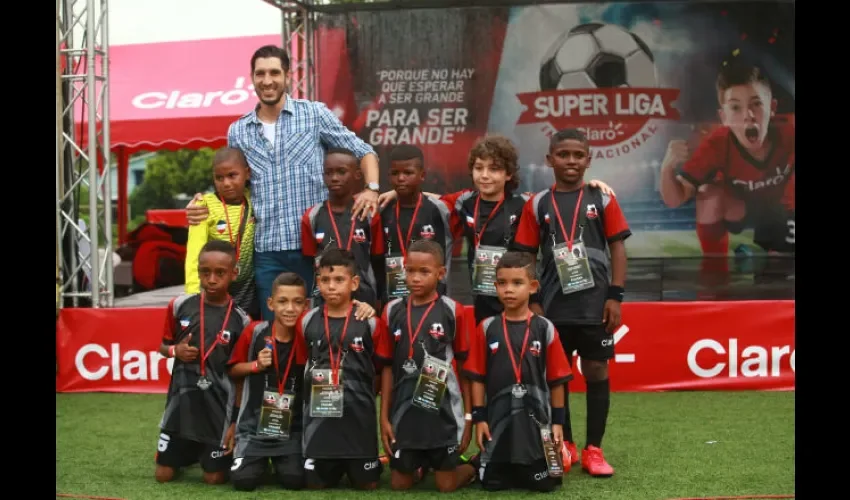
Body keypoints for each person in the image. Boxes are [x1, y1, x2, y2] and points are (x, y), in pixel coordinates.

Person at [185, 44, 383, 322]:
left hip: (315, 249)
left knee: (319, 327)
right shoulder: (238, 130)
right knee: (276, 331)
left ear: (288, 75)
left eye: (274, 73)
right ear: (252, 78)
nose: (267, 81)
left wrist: (372, 190)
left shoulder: (313, 115)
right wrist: (201, 203)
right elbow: (231, 185)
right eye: (260, 74)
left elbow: (364, 152)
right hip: (267, 251)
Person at [377, 134, 613, 326]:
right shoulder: (463, 202)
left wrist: (592, 186)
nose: (485, 175)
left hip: (519, 295)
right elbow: (427, 198)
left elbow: (559, 201)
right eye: (479, 168)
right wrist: (396, 192)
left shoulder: (526, 204)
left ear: (508, 173)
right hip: (483, 296)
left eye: (494, 169)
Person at [513, 128, 631, 478]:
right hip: (552, 307)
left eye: (578, 155)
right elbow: (525, 254)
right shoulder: (538, 203)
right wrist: (532, 298)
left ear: (588, 159)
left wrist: (615, 296)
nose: (571, 161)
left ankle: (594, 448)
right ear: (550, 159)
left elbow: (618, 248)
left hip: (595, 306)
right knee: (555, 377)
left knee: (597, 370)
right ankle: (565, 443)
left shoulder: (602, 199)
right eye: (563, 154)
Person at [226, 272, 377, 492]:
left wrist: (365, 307)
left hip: (293, 430)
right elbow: (233, 371)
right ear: (270, 303)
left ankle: (282, 462)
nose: (290, 309)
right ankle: (257, 461)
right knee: (243, 482)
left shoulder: (309, 334)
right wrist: (255, 366)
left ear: (306, 305)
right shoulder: (255, 331)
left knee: (294, 480)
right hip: (254, 428)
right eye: (282, 301)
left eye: (297, 302)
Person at [659, 62, 795, 286]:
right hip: (741, 208)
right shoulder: (716, 145)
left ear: (773, 108)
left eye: (757, 104)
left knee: (776, 277)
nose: (748, 116)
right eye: (736, 108)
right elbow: (675, 199)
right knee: (708, 195)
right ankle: (715, 277)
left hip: (780, 211)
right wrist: (667, 168)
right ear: (723, 117)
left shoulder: (789, 133)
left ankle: (762, 253)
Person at [463, 251, 573, 492]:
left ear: (533, 287)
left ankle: (548, 457)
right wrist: (479, 418)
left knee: (543, 485)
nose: (508, 290)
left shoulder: (545, 329)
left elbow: (557, 381)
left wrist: (558, 423)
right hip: (497, 422)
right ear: (495, 286)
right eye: (502, 283)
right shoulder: (486, 327)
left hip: (536, 426)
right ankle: (485, 461)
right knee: (492, 485)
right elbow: (477, 378)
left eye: (517, 283)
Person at [378, 239, 477, 492]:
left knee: (446, 486)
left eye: (424, 272)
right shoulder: (391, 311)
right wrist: (384, 417)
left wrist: (468, 418)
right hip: (404, 415)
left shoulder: (453, 311)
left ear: (441, 273)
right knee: (400, 485)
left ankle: (474, 466)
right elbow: (387, 367)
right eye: (410, 270)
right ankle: (419, 463)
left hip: (442, 414)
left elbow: (465, 367)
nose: (415, 278)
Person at [154, 240, 252, 485]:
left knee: (214, 478)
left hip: (218, 411)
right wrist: (176, 350)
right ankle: (185, 454)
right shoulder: (179, 306)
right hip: (181, 407)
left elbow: (240, 375)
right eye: (205, 272)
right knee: (163, 476)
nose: (211, 279)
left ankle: (205, 453)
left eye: (220, 273)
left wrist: (234, 421)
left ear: (234, 274)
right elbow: (162, 347)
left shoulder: (242, 320)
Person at [296, 248, 390, 490]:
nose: (331, 286)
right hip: (320, 425)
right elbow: (301, 364)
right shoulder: (306, 321)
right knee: (314, 485)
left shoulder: (370, 322)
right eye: (325, 280)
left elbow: (381, 370)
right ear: (317, 283)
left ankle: (371, 461)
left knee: (367, 485)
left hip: (359, 423)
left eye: (339, 279)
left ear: (354, 282)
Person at [300, 148, 384, 309]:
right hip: (325, 297)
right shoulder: (312, 216)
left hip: (363, 296)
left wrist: (379, 299)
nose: (334, 178)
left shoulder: (369, 213)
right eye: (328, 173)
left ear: (357, 174)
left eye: (341, 172)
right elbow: (309, 260)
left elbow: (377, 259)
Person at [185, 148, 257, 318]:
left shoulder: (255, 200)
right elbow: (194, 253)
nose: (226, 183)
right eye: (219, 178)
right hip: (215, 287)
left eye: (232, 175)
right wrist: (192, 294)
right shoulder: (204, 206)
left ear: (247, 173)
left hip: (249, 289)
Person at [376, 145, 453, 302]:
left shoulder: (440, 209)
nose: (401, 178)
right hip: (392, 300)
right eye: (395, 173)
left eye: (408, 173)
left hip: (435, 300)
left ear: (422, 175)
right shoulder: (382, 210)